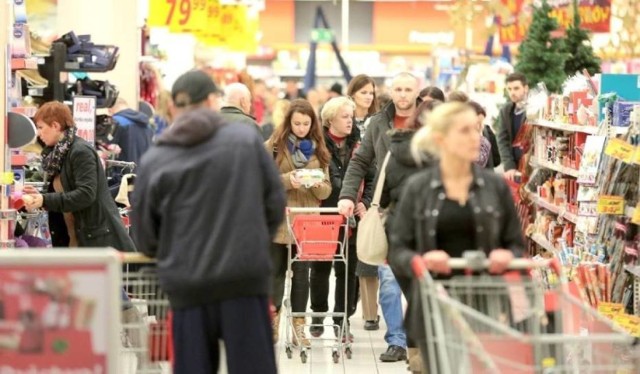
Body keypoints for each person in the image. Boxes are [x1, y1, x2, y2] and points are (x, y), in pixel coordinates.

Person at [131, 70, 285, 374]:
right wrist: (252, 241)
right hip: (244, 281)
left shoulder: (157, 156)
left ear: (174, 107)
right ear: (213, 101)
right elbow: (274, 205)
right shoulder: (245, 140)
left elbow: (145, 234)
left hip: (188, 286)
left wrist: (172, 252)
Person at [388, 102, 525, 372]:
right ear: (441, 139)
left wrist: (507, 255)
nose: (476, 137)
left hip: (486, 304)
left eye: (476, 129)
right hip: (434, 305)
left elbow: (517, 244)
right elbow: (398, 249)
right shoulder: (419, 188)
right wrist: (421, 260)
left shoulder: (494, 186)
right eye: (465, 131)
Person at [338, 72, 422, 363]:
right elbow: (361, 161)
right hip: (389, 210)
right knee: (388, 279)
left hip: (424, 211)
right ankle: (397, 340)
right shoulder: (378, 123)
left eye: (407, 89)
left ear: (416, 91)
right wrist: (347, 196)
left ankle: (418, 341)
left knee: (420, 281)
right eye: (397, 89)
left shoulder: (431, 121)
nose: (402, 94)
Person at [380, 99, 441, 373]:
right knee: (429, 300)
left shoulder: (395, 151)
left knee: (416, 297)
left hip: (399, 236)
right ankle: (426, 358)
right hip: (432, 236)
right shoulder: (441, 155)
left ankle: (417, 359)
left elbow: (382, 196)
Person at [24, 101, 136, 252]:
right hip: (78, 240)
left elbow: (86, 194)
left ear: (55, 126)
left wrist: (45, 200)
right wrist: (40, 196)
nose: (39, 133)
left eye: (41, 127)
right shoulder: (58, 156)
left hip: (98, 243)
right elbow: (64, 192)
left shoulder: (80, 152)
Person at [265, 99, 332, 346]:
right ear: (288, 122)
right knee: (276, 274)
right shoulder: (274, 146)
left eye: (306, 123)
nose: (301, 128)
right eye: (297, 123)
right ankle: (272, 323)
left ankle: (298, 327)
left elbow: (326, 191)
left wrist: (316, 185)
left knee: (302, 275)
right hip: (279, 220)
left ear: (313, 123)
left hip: (307, 222)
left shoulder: (320, 150)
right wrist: (286, 181)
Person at [309, 97, 372, 341]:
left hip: (352, 218)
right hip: (324, 213)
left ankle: (341, 319)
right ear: (330, 119)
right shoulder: (317, 144)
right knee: (321, 267)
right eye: (345, 116)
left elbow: (372, 176)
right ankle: (317, 315)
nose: (350, 120)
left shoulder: (361, 143)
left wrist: (364, 202)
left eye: (351, 116)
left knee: (347, 269)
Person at [346, 74, 380, 329]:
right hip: (347, 191)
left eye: (371, 92)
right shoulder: (343, 118)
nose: (368, 97)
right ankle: (347, 306)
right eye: (363, 92)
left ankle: (370, 313)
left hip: (371, 191)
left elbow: (375, 165)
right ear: (353, 93)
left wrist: (367, 199)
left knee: (369, 251)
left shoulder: (378, 122)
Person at [497, 72, 529, 181]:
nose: (512, 93)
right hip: (513, 168)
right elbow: (502, 140)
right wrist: (509, 166)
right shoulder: (506, 111)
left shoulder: (534, 109)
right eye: (509, 89)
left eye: (516, 88)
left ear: (525, 88)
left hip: (531, 166)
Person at [109, 97, 154, 165]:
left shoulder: (116, 122)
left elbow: (109, 150)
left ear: (110, 109)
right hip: (145, 171)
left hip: (124, 172)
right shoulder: (147, 124)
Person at [468, 100, 501, 169]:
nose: (481, 127)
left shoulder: (485, 136)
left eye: (482, 122)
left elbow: (496, 160)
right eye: (477, 123)